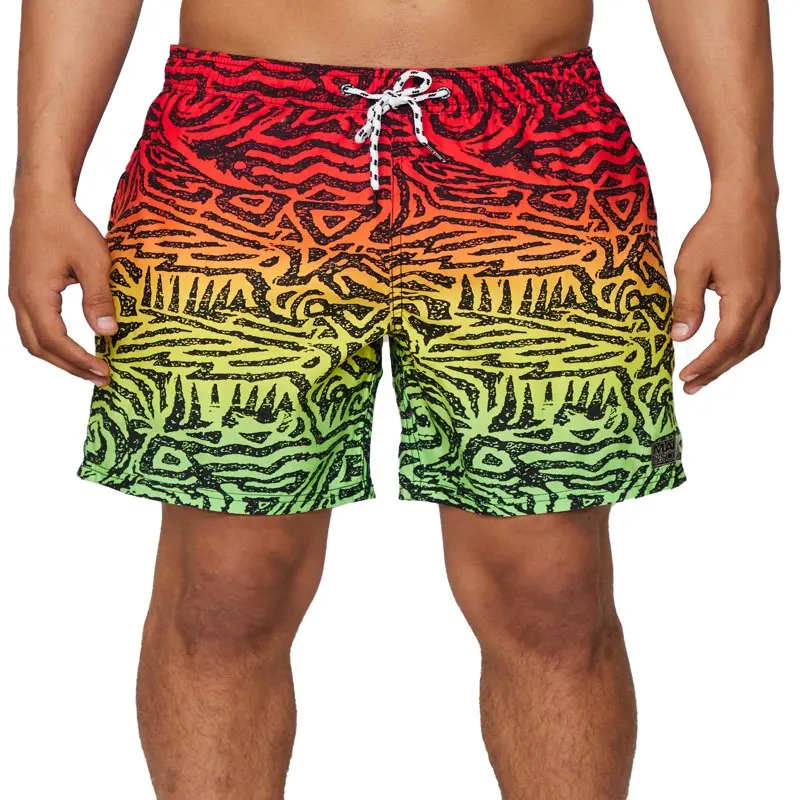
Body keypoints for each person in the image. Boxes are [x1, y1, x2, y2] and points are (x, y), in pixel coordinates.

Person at [8, 0, 780, 798]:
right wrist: (42, 183)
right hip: (237, 144)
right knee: (227, 586)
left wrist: (746, 184)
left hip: (534, 146)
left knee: (552, 589)